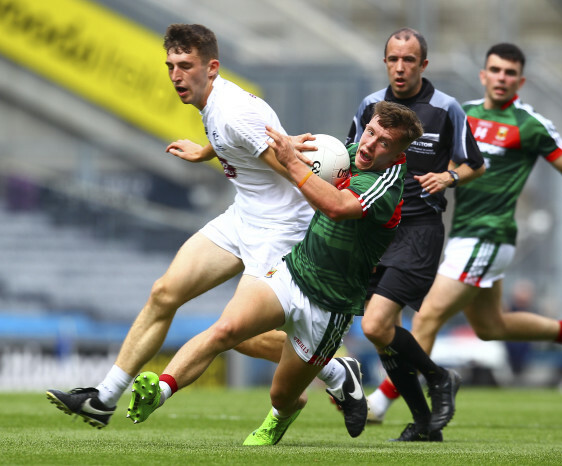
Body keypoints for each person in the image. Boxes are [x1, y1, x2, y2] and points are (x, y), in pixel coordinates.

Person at [46, 23, 358, 430]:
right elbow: (236, 137)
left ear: (211, 67)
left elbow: (287, 168)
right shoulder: (216, 102)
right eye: (171, 65)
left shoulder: (232, 112)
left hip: (278, 231)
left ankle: (335, 371)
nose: (176, 74)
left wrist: (335, 207)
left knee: (236, 334)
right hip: (243, 216)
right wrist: (205, 152)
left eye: (185, 65)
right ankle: (103, 399)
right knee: (164, 293)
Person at [125, 101, 424, 445]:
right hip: (292, 272)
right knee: (227, 331)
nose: (371, 144)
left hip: (329, 305)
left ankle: (285, 413)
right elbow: (263, 139)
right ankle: (159, 392)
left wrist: (292, 163)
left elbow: (338, 207)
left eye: (385, 142)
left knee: (282, 394)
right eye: (371, 131)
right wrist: (212, 150)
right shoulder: (348, 152)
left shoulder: (386, 183)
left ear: (400, 152)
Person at [369, 42, 562, 423]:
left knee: (427, 317)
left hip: (490, 235)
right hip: (461, 233)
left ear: (520, 80)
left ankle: (379, 402)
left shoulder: (529, 123)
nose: (502, 78)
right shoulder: (464, 113)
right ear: (483, 74)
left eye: (510, 73)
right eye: (495, 70)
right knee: (492, 327)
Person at [348, 28, 485, 441]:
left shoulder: (446, 109)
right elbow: (354, 156)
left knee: (375, 326)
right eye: (393, 59)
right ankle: (425, 424)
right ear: (385, 62)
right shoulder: (371, 105)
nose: (401, 67)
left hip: (420, 229)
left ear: (423, 64)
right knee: (383, 337)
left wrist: (447, 177)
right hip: (376, 229)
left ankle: (440, 377)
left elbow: (475, 164)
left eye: (409, 60)